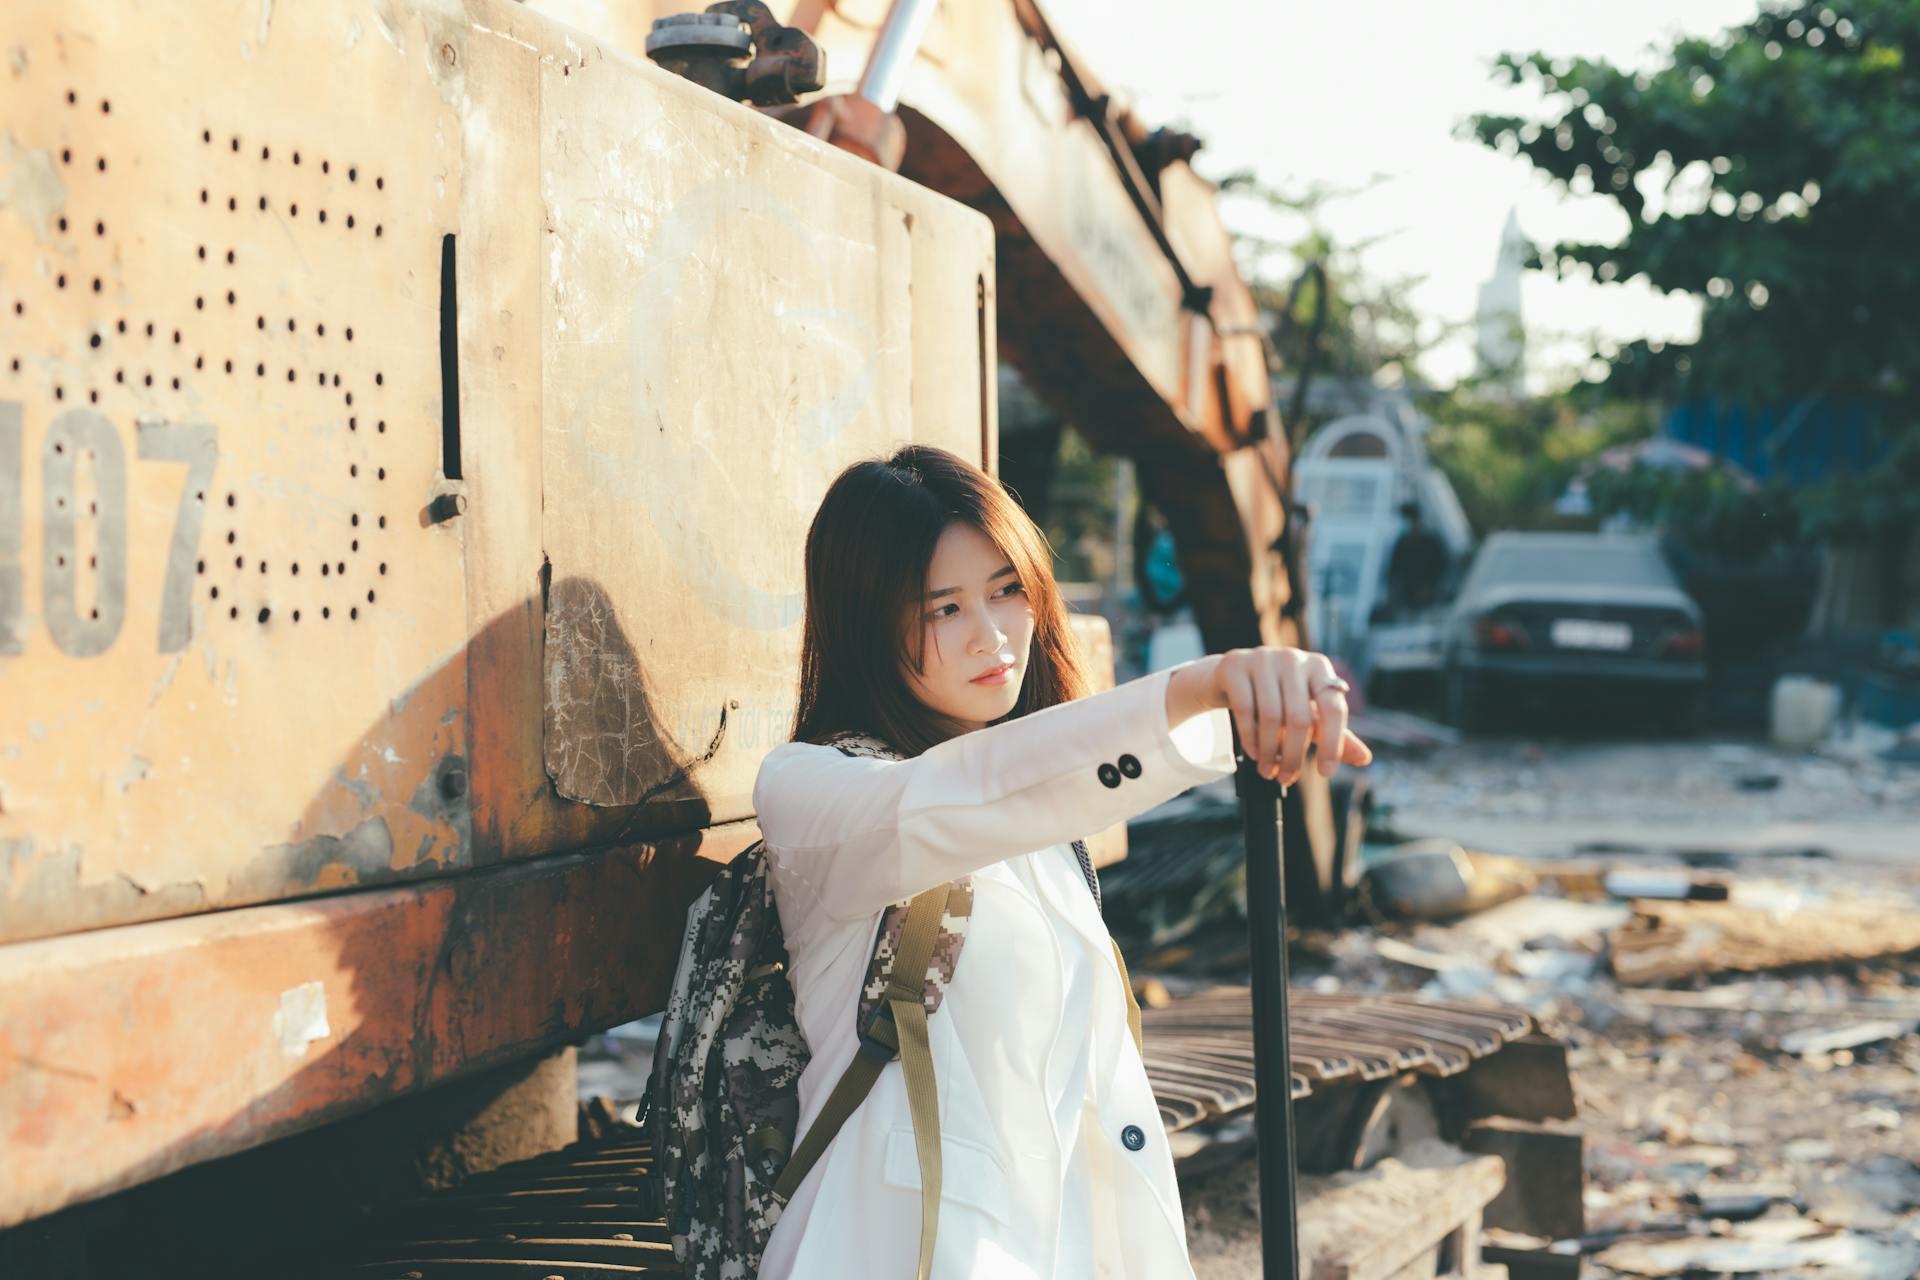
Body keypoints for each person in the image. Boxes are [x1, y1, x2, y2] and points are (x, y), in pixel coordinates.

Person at [753, 444, 1372, 1279]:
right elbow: (962, 797)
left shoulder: (1043, 816)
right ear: (867, 621)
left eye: (1008, 591)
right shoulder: (812, 791)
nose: (993, 635)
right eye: (943, 609)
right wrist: (1202, 688)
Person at [1384, 500, 1449, 616]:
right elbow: (1393, 571)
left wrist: (1429, 587)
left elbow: (1441, 568)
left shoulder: (1431, 543)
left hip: (1430, 600)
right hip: (1407, 600)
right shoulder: (1401, 544)